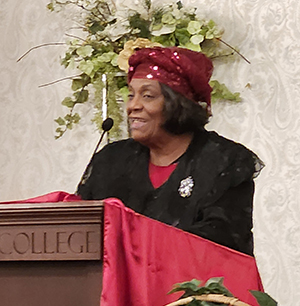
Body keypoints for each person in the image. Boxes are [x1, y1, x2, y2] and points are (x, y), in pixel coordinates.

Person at [78, 47, 263, 256]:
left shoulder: (224, 161)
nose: (133, 106)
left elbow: (222, 243)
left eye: (147, 96)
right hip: (112, 286)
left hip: (192, 286)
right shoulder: (110, 160)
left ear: (178, 104)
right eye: (131, 95)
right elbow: (81, 228)